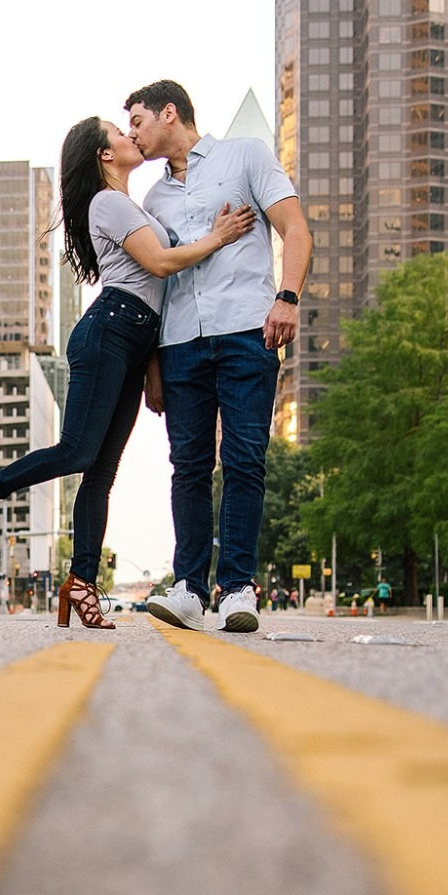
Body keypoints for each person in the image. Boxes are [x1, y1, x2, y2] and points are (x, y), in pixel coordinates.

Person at [0, 115, 252, 629]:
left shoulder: (128, 204)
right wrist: (218, 237)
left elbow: (159, 294)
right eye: (118, 131)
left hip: (134, 339)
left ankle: (81, 582)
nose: (130, 135)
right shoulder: (106, 203)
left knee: (102, 473)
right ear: (104, 154)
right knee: (78, 451)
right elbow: (158, 265)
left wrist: (151, 367)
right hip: (109, 330)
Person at [126, 80, 313, 635]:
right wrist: (151, 365)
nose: (133, 131)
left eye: (137, 119)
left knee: (244, 459)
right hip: (179, 343)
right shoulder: (153, 200)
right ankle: (188, 588)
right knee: (187, 466)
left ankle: (236, 589)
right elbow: (155, 281)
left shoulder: (246, 156)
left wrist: (288, 297)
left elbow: (296, 229)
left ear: (169, 113)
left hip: (245, 333)